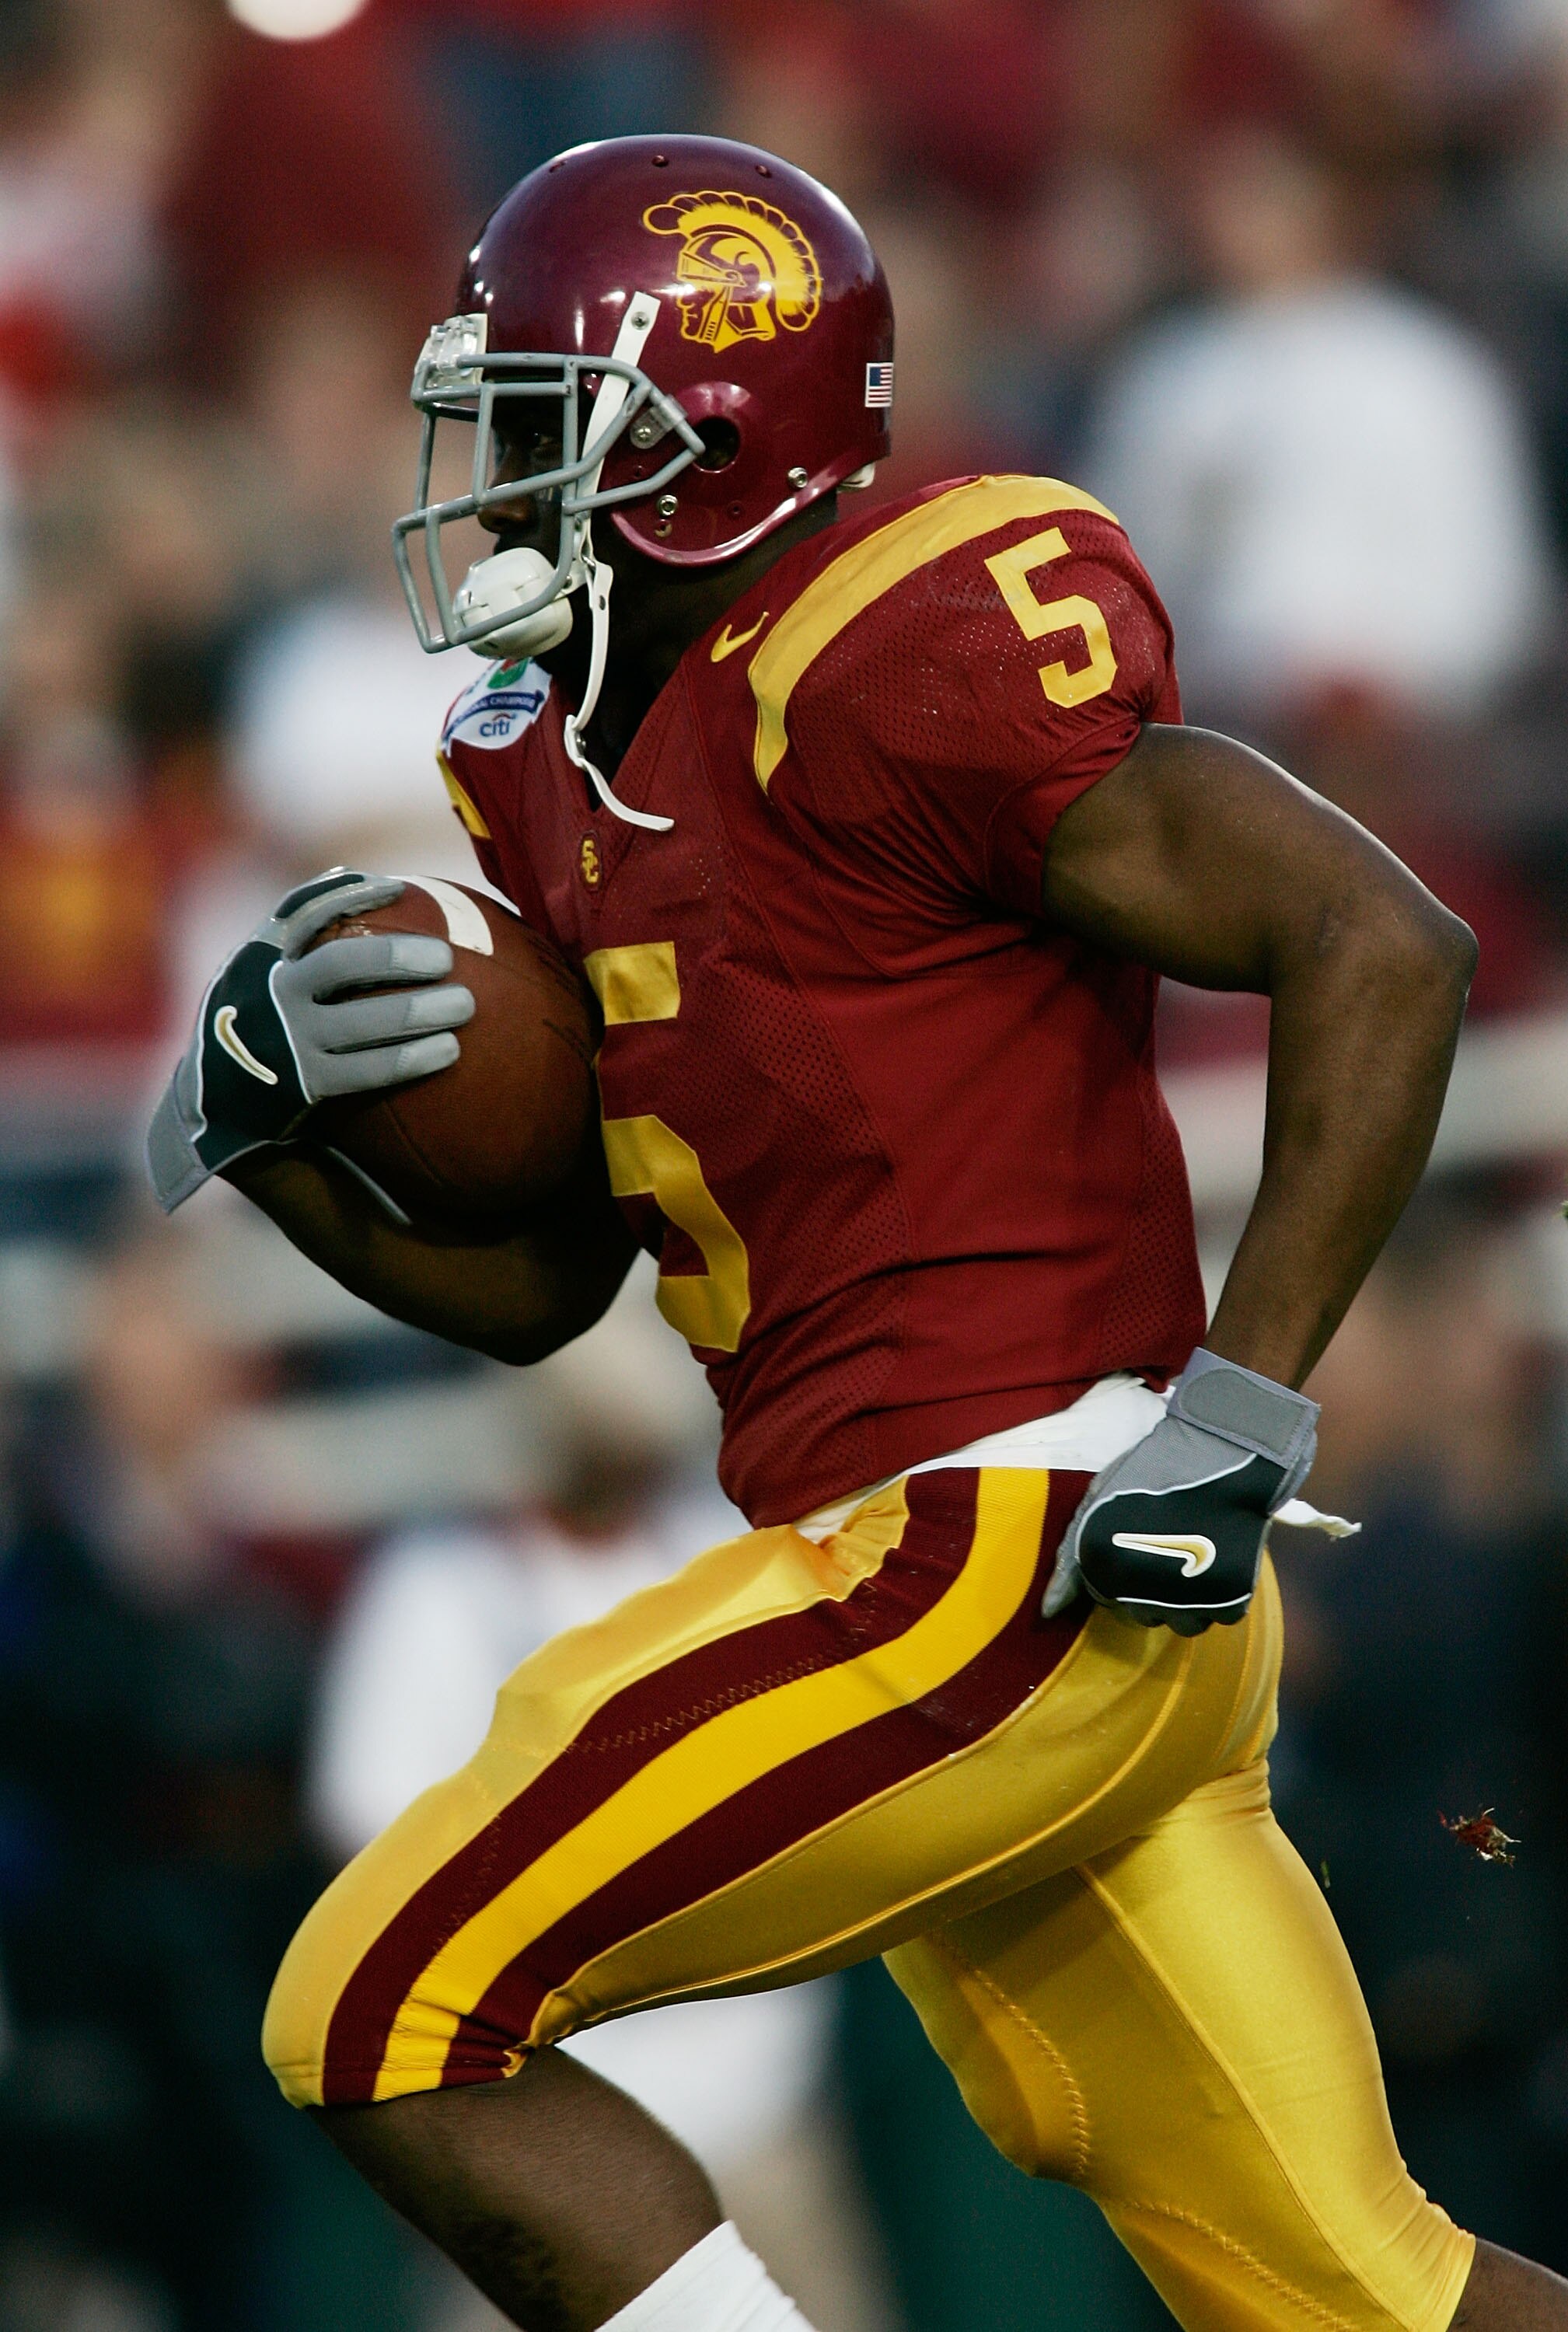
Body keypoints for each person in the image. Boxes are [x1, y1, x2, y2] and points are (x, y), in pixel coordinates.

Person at [145, 135, 1566, 2332]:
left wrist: (1244, 1401)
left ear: (699, 442)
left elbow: (1375, 937)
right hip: (973, 1581)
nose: (490, 485)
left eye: (544, 427)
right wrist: (266, 1137)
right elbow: (545, 1302)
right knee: (1364, 2297)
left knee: (382, 2010)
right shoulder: (565, 750)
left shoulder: (895, 644)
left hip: (994, 1548)